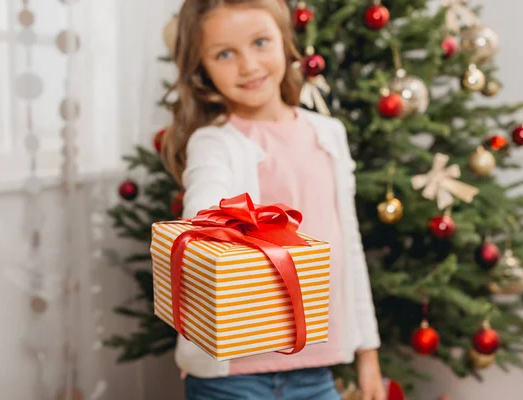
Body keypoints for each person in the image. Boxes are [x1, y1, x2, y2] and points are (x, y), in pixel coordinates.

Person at [161, 1, 384, 399]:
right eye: (225, 54)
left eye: (260, 42)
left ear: (286, 44)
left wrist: (368, 355)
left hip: (316, 372)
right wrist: (212, 219)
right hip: (231, 379)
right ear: (202, 69)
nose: (248, 65)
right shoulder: (215, 143)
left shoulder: (327, 134)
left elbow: (348, 248)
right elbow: (204, 208)